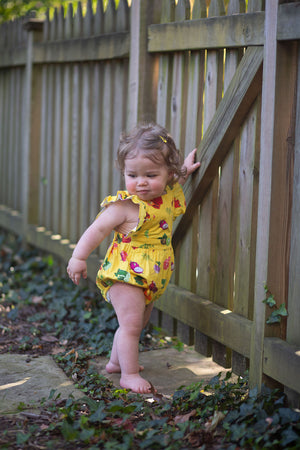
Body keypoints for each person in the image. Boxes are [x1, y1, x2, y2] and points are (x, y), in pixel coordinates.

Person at [67, 123, 200, 394]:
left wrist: (185, 168)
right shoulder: (125, 206)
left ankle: (116, 362)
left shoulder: (166, 195)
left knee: (137, 322)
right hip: (125, 275)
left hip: (151, 277)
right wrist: (78, 257)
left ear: (168, 173)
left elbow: (179, 180)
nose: (141, 182)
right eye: (132, 174)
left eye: (151, 174)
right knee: (130, 325)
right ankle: (128, 375)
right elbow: (97, 230)